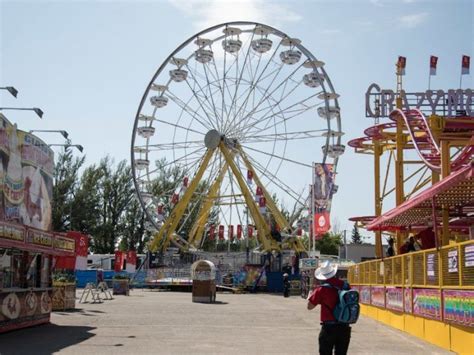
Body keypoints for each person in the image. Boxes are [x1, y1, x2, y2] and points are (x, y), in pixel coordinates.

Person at [307, 261, 351, 355]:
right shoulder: (345, 286)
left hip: (329, 328)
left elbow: (309, 307)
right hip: (344, 327)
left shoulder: (321, 289)